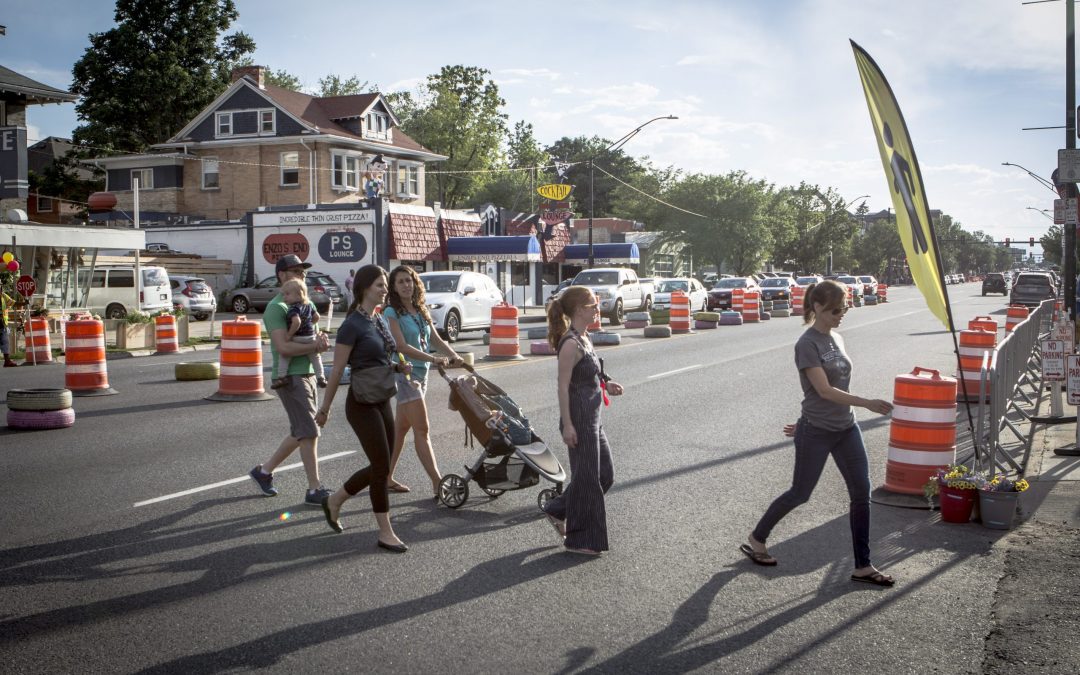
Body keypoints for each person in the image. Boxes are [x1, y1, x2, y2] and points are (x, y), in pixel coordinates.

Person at [743, 279, 896, 586]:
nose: (842, 314)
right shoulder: (806, 344)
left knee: (861, 494)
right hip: (817, 430)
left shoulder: (836, 338)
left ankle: (863, 565)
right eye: (835, 309)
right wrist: (867, 403)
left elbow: (837, 385)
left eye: (845, 308)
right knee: (800, 493)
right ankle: (757, 539)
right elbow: (824, 391)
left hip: (845, 427)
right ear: (816, 307)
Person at [317, 265, 411, 553]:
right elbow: (337, 372)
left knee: (383, 463)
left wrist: (397, 366)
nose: (386, 289)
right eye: (381, 285)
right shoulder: (351, 326)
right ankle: (385, 531)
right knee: (382, 467)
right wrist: (325, 407)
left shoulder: (377, 319)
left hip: (381, 396)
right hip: (360, 403)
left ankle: (335, 500)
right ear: (364, 288)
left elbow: (380, 358)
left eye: (386, 285)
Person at [540, 286, 623, 556]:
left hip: (593, 418)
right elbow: (562, 387)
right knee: (587, 480)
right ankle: (581, 540)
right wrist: (568, 425)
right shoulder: (570, 344)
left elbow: (590, 372)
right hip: (579, 420)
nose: (597, 308)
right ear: (578, 310)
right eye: (592, 305)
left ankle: (557, 509)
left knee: (604, 475)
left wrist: (606, 384)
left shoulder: (585, 337)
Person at [248, 254, 332, 507]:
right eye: (296, 270)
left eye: (304, 271)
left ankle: (263, 472)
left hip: (307, 371)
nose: (302, 275)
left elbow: (315, 333)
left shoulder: (307, 304)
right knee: (309, 431)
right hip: (290, 376)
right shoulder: (277, 307)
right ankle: (314, 489)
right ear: (282, 275)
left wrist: (321, 341)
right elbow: (283, 347)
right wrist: (315, 346)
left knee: (303, 430)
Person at [382, 266, 464, 497]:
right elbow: (400, 346)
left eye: (409, 280)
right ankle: (437, 482)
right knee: (422, 429)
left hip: (422, 374)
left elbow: (436, 339)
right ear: (394, 288)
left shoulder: (419, 309)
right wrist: (434, 359)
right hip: (405, 375)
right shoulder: (391, 312)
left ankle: (386, 477)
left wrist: (453, 355)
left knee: (401, 429)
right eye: (400, 282)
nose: (406, 285)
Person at [270, 278, 327, 390]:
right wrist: (310, 325)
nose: (284, 297)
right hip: (310, 336)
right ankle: (321, 377)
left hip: (298, 337)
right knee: (315, 357)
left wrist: (289, 334)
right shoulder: (309, 305)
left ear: (298, 295)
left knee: (285, 355)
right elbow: (317, 317)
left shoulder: (293, 308)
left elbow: (296, 322)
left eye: (287, 294)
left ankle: (282, 377)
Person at [1, 285, 16, 367]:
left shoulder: (3, 295)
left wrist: (25, 302)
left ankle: (7, 361)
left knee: (5, 342)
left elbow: (13, 303)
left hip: (2, 324)